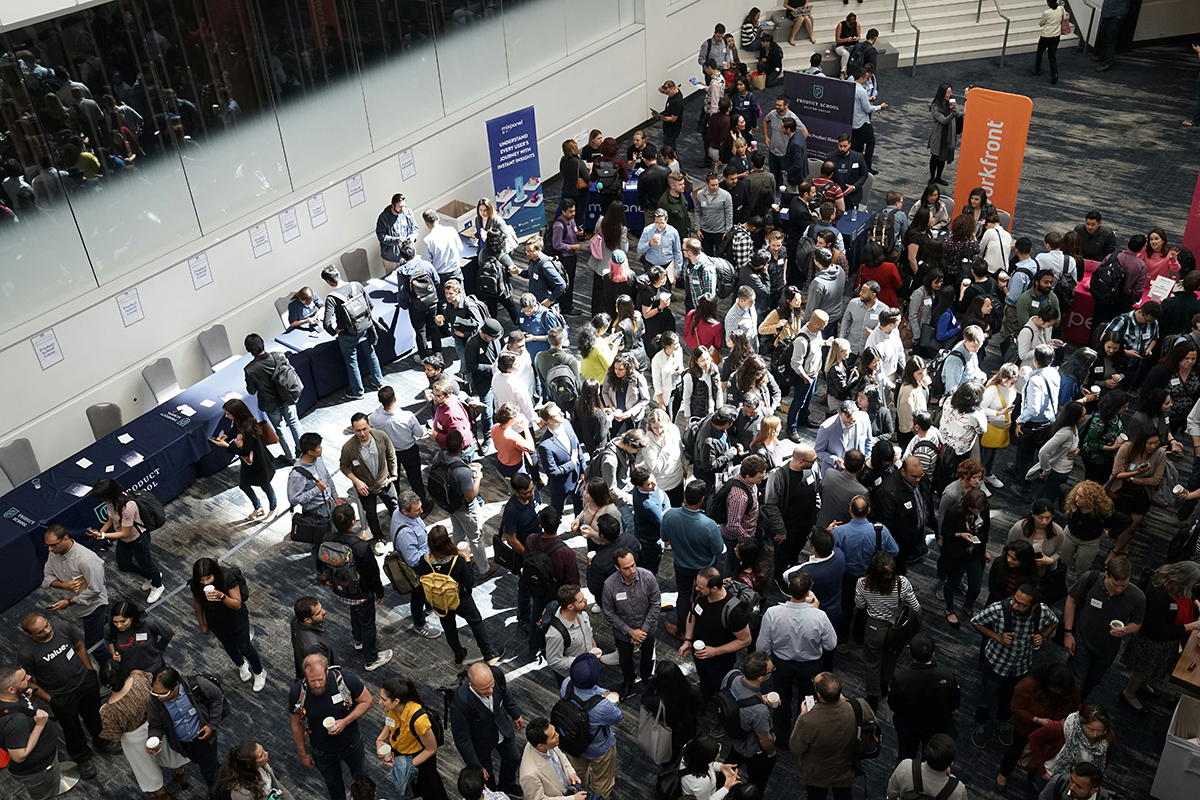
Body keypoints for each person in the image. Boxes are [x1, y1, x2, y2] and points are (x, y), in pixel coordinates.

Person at [970, 584, 1059, 749]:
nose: (1015, 605)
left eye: (1022, 604)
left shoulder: (1042, 611)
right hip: (997, 662)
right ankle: (980, 723)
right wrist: (997, 637)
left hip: (1022, 666)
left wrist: (1042, 636)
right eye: (1014, 600)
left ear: (1034, 606)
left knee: (1011, 698)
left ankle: (1002, 721)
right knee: (987, 697)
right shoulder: (999, 609)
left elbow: (1054, 622)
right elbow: (976, 622)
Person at [758, 571, 836, 737]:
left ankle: (781, 734)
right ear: (808, 592)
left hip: (781, 664)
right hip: (810, 665)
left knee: (781, 699)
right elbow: (831, 645)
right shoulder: (819, 616)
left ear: (788, 587)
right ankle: (804, 732)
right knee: (808, 699)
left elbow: (762, 647)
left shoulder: (772, 613)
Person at [418, 525, 506, 669]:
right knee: (476, 622)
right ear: (447, 541)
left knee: (449, 627)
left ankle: (459, 656)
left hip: (440, 601)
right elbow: (470, 582)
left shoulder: (425, 560)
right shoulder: (456, 560)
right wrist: (466, 559)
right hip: (460, 599)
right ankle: (488, 654)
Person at [287, 654, 373, 800]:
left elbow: (367, 701)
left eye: (320, 679)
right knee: (333, 784)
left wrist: (345, 721)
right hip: (322, 752)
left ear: (327, 670)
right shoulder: (297, 693)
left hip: (351, 744)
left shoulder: (345, 680)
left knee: (361, 778)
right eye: (312, 680)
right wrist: (302, 753)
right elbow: (296, 724)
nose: (317, 684)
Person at [321, 504, 394, 671]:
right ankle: (371, 659)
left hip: (340, 589)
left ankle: (358, 641)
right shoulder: (360, 546)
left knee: (355, 611)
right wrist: (380, 592)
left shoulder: (327, 538)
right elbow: (372, 573)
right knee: (368, 624)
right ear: (353, 521)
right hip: (361, 592)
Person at [1121, 561, 1200, 710]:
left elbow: (1188, 591)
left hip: (1162, 640)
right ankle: (1129, 693)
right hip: (1152, 641)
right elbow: (1157, 629)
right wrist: (1190, 626)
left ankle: (1142, 684)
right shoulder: (1160, 597)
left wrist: (1196, 602)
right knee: (1143, 668)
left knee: (1149, 670)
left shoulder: (1169, 576)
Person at [1063, 554, 1145, 697]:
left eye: (1124, 586)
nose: (1119, 590)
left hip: (1107, 649)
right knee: (1076, 682)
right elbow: (1071, 601)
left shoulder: (1138, 597)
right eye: (1115, 585)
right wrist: (1068, 633)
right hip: (1081, 640)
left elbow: (1137, 623)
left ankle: (1078, 705)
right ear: (1106, 575)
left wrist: (1125, 630)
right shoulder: (1091, 579)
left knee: (1093, 681)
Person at [996, 662, 1081, 791]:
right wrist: (1038, 720)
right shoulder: (1028, 685)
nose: (1058, 692)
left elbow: (1076, 708)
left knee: (1045, 755)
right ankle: (1004, 772)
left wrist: (1063, 722)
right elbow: (1016, 708)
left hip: (1055, 731)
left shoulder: (1070, 689)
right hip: (1027, 729)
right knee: (1015, 750)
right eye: (1055, 688)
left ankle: (1033, 776)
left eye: (1061, 690)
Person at [790, 671, 873, 800]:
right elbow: (872, 726)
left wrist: (802, 715)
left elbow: (796, 747)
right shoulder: (859, 706)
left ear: (818, 694)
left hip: (817, 773)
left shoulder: (807, 720)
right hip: (847, 768)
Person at [188, 558, 268, 690]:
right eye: (201, 580)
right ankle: (241, 665)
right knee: (229, 647)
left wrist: (222, 596)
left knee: (245, 648)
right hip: (215, 622)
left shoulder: (226, 577)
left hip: (236, 620)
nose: (205, 582)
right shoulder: (196, 584)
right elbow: (197, 602)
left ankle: (259, 672)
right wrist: (201, 623)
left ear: (214, 573)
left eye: (208, 578)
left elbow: (237, 604)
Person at [855, 551, 920, 709]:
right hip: (896, 629)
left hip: (874, 628)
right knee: (891, 658)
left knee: (872, 663)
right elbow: (916, 607)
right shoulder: (902, 583)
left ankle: (872, 695)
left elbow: (860, 605)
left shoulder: (862, 583)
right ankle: (885, 686)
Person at [450, 663, 526, 796]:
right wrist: (475, 766)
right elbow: (462, 740)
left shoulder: (497, 674)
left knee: (513, 758)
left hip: (502, 728)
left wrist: (515, 714)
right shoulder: (460, 703)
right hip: (480, 741)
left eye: (491, 685)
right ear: (471, 686)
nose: (490, 691)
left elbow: (505, 693)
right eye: (484, 689)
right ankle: (492, 792)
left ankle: (507, 785)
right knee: (486, 774)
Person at [679, 566, 753, 700]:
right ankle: (705, 698)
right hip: (700, 653)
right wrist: (688, 640)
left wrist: (714, 651)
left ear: (714, 589)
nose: (696, 589)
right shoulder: (701, 594)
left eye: (701, 587)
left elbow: (745, 640)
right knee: (704, 681)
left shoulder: (734, 612)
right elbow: (693, 613)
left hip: (720, 661)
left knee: (722, 689)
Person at [86, 477, 165, 604]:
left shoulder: (128, 507)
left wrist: (103, 536)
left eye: (102, 497)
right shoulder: (110, 502)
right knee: (124, 565)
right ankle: (150, 577)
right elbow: (110, 520)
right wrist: (100, 532)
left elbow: (124, 533)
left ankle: (158, 585)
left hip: (138, 539)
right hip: (124, 539)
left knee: (147, 564)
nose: (101, 500)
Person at [41, 525, 109, 664]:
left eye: (53, 545)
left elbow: (95, 589)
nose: (49, 549)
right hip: (78, 606)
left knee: (94, 646)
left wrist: (70, 601)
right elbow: (47, 576)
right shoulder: (54, 552)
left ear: (65, 538)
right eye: (47, 545)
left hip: (93, 606)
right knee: (106, 625)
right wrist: (64, 585)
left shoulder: (86, 560)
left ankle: (114, 672)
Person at [887, 634, 961, 763]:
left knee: (905, 757)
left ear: (910, 653)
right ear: (933, 654)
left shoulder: (900, 679)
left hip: (908, 727)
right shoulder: (947, 675)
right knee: (932, 758)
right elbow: (955, 702)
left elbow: (893, 705)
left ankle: (903, 779)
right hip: (937, 725)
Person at [557, 654, 621, 800]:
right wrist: (609, 697)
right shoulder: (603, 706)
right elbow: (617, 716)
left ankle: (579, 792)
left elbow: (587, 690)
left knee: (578, 773)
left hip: (573, 744)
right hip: (599, 749)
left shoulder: (566, 684)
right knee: (602, 781)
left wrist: (601, 692)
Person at [373, 678, 446, 800]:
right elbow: (390, 723)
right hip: (402, 754)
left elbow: (431, 749)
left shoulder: (419, 720)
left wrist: (407, 767)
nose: (380, 702)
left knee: (431, 790)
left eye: (383, 699)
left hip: (420, 759)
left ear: (396, 701)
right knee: (411, 788)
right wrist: (379, 740)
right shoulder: (393, 709)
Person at [321, 265, 383, 400]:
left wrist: (335, 331)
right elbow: (370, 305)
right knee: (371, 354)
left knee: (352, 362)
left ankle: (358, 391)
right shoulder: (356, 285)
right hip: (365, 328)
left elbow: (326, 323)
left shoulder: (332, 298)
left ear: (328, 281)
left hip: (347, 335)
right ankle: (378, 381)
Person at [340, 412, 399, 554]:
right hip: (365, 488)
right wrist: (357, 481)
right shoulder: (348, 448)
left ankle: (401, 531)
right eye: (358, 430)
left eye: (364, 429)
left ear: (369, 425)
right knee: (371, 514)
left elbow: (391, 454)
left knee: (395, 507)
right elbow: (344, 466)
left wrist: (394, 474)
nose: (362, 433)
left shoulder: (381, 436)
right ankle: (378, 538)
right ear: (353, 430)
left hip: (385, 482)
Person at [243, 333, 303, 463]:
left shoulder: (249, 369)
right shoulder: (279, 356)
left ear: (249, 350)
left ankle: (290, 456)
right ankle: (303, 449)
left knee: (280, 428)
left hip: (270, 403)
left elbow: (251, 391)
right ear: (262, 343)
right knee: (294, 422)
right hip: (287, 396)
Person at [1107, 427, 1166, 557]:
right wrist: (1138, 473)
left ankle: (1116, 550)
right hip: (1122, 491)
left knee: (1132, 526)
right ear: (1141, 441)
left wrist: (1130, 477)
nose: (1153, 446)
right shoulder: (1128, 448)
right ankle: (1121, 545)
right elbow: (1115, 475)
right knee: (1121, 522)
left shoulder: (1160, 454)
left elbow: (1156, 480)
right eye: (1149, 443)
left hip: (1142, 494)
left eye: (1156, 443)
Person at [537, 403, 583, 518]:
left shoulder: (567, 424)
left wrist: (583, 470)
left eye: (560, 411)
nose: (562, 414)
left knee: (580, 505)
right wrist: (571, 464)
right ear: (550, 421)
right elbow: (552, 472)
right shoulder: (545, 445)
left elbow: (577, 447)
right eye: (557, 414)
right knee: (556, 513)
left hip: (578, 478)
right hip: (561, 485)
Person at [1035, 401, 1085, 504]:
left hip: (1063, 470)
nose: (1085, 417)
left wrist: (1077, 450)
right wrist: (1046, 470)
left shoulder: (1074, 427)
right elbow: (1043, 452)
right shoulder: (1065, 433)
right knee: (1048, 499)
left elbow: (1073, 443)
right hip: (1059, 471)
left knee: (1045, 492)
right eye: (1083, 416)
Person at [105, 599, 172, 674]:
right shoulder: (110, 628)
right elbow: (108, 639)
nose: (119, 625)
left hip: (154, 668)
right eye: (115, 622)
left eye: (123, 621)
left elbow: (168, 633)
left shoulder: (149, 623)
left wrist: (158, 649)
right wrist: (114, 652)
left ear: (131, 618)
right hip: (131, 672)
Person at [815, 400, 873, 475]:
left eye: (853, 422)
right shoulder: (827, 428)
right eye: (845, 422)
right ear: (839, 413)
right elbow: (818, 451)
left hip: (857, 471)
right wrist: (835, 459)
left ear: (857, 411)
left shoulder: (864, 418)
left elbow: (868, 441)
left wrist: (864, 461)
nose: (849, 425)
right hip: (834, 471)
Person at [291, 596, 338, 681]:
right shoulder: (314, 647)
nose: (324, 612)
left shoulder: (296, 620)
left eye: (321, 609)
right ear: (307, 620)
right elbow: (321, 671)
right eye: (318, 613)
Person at [927, 85, 960, 186]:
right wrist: (952, 115)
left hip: (948, 135)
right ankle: (932, 178)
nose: (948, 95)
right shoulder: (936, 106)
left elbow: (958, 115)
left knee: (943, 157)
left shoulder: (950, 102)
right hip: (938, 135)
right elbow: (943, 120)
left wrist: (955, 109)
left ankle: (939, 177)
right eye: (947, 93)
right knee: (935, 157)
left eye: (950, 93)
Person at [377, 193, 418, 269]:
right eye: (399, 206)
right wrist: (396, 240)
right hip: (392, 258)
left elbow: (415, 228)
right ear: (393, 205)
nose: (402, 209)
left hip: (407, 255)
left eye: (403, 206)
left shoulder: (407, 212)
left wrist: (413, 236)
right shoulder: (384, 217)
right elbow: (381, 236)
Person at [1037, 762, 1113, 800]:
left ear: (1093, 791)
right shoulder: (1060, 781)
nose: (1072, 787)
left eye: (1079, 787)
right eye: (1072, 780)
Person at [1096, 0, 1128, 71]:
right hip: (1106, 11)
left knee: (1111, 40)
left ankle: (1108, 63)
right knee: (1103, 36)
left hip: (1117, 14)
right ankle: (1102, 56)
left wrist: (1121, 14)